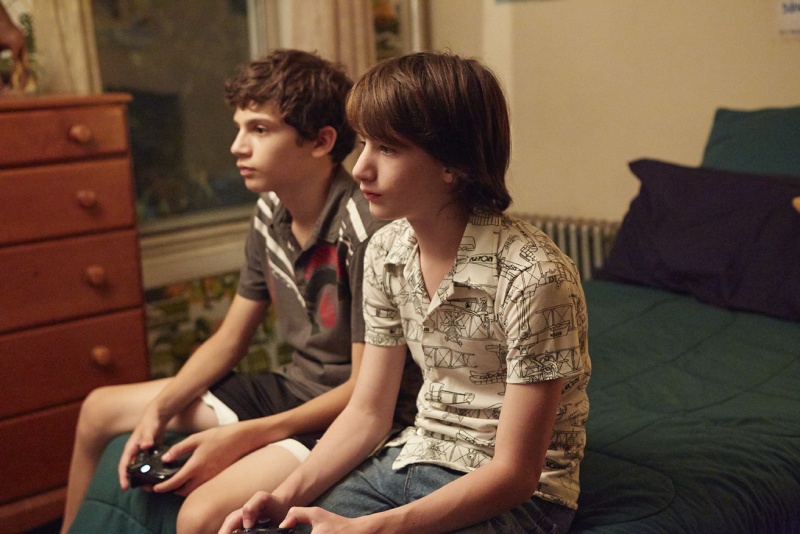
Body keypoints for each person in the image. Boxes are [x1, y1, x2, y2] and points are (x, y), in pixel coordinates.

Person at [219, 51, 591, 534]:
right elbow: (367, 414)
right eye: (364, 143)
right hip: (411, 456)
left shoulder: (534, 276)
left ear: (452, 164)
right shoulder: (386, 251)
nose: (360, 168)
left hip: (520, 495)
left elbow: (515, 475)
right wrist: (283, 497)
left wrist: (369, 529)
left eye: (388, 149)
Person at [60, 49, 390, 534]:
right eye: (238, 128)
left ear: (321, 141)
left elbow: (363, 392)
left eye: (259, 129)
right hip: (291, 387)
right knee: (97, 411)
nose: (237, 146)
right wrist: (162, 407)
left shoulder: (365, 228)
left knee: (199, 515)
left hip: (341, 411)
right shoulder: (269, 213)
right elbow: (230, 339)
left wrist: (245, 437)